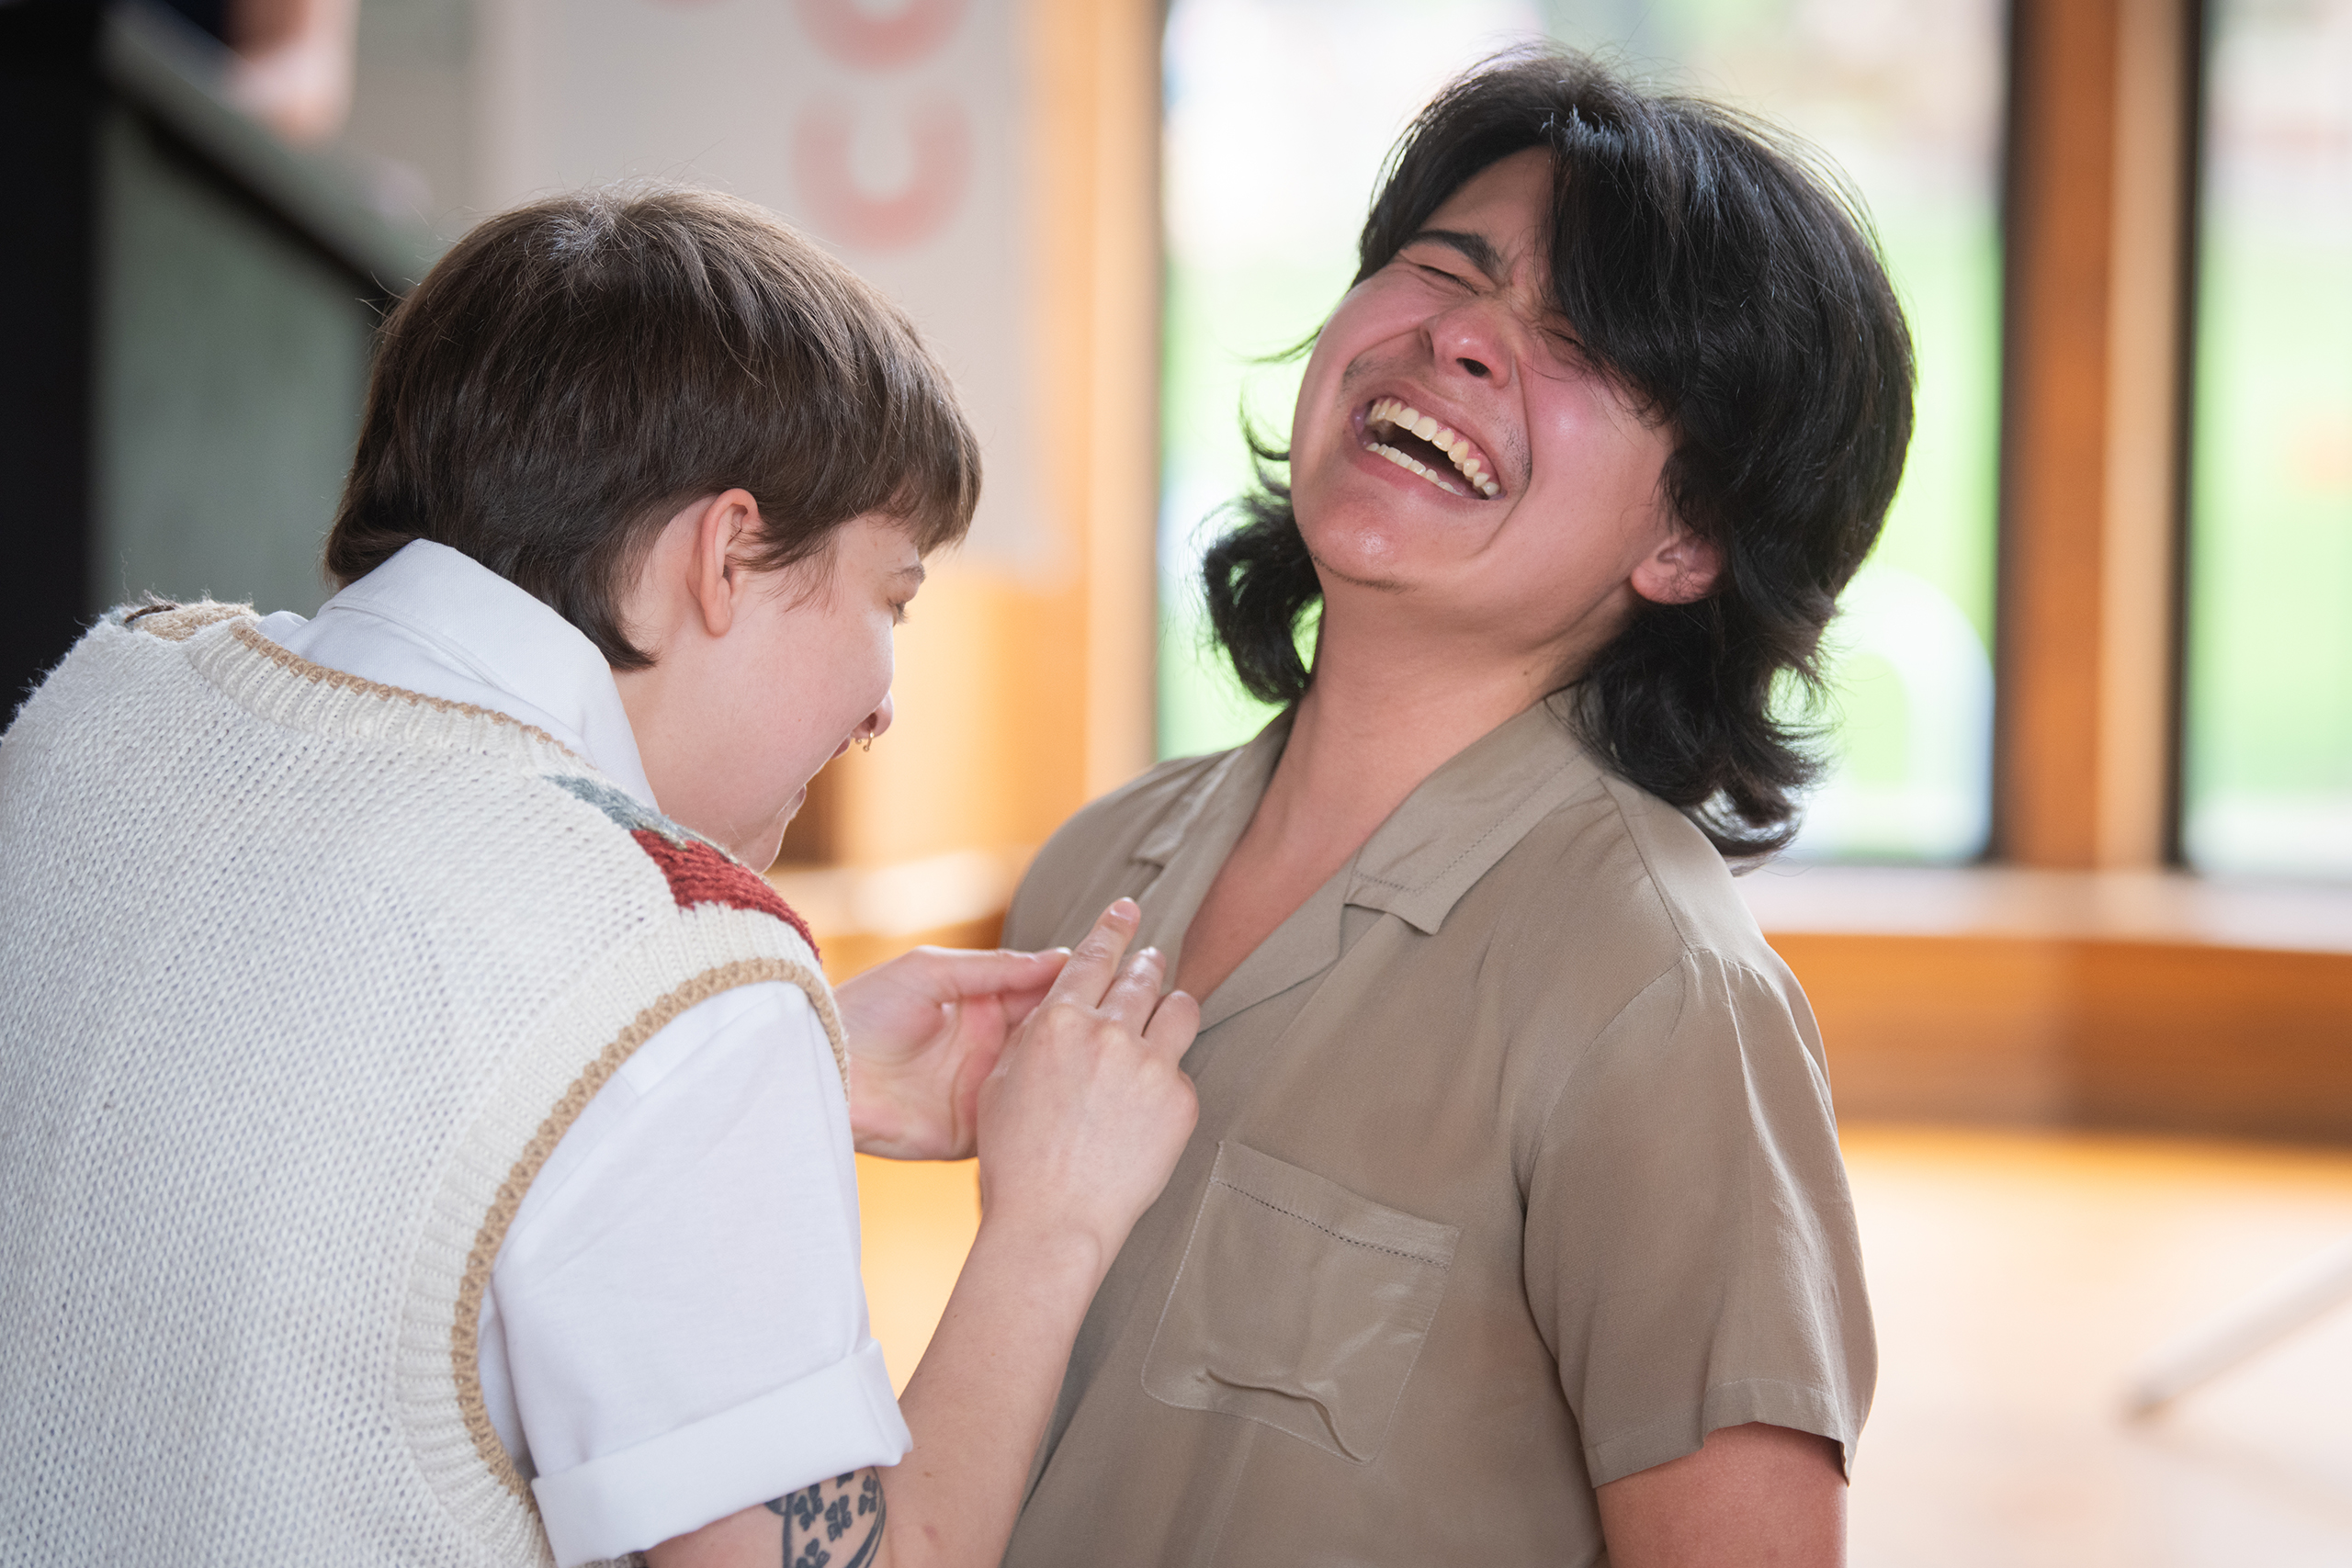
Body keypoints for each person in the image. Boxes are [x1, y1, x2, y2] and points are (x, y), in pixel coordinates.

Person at [0, 186, 1199, 1568]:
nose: (882, 709)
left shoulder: (113, 695)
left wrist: (782, 1066)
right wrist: (1051, 1222)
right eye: (892, 600)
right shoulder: (679, 966)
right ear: (726, 554)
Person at [998, 48, 1910, 1567]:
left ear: (1690, 542)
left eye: (1586, 345)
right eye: (1442, 268)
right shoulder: (1094, 871)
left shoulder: (1661, 997)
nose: (1465, 341)